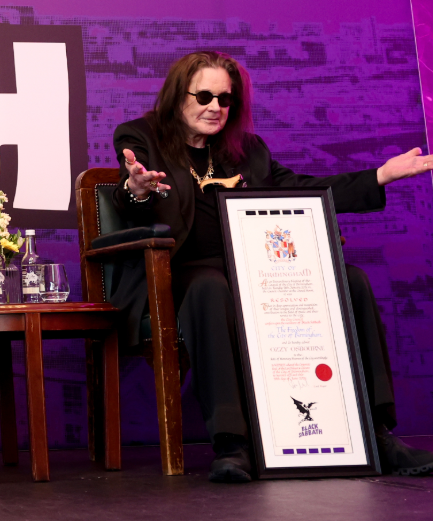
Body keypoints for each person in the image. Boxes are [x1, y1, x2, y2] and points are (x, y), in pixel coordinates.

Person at [113, 51, 433, 483]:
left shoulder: (248, 151)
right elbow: (130, 195)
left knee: (351, 280)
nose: (215, 107)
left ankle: (376, 433)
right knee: (210, 287)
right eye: (204, 96)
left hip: (256, 269)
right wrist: (136, 188)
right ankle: (232, 443)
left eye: (225, 99)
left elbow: (302, 188)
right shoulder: (141, 136)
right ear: (177, 95)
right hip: (182, 270)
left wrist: (378, 176)